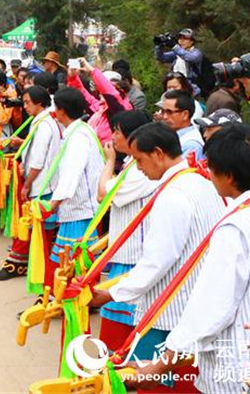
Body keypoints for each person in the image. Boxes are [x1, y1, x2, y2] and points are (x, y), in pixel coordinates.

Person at [133, 124, 250, 393]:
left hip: (239, 367)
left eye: (212, 167)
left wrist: (161, 365)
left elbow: (211, 309)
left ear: (229, 176)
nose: (208, 173)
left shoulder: (237, 227)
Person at [91, 123, 224, 363]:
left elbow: (157, 260)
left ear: (158, 154)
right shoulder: (202, 182)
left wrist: (110, 294)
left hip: (169, 310)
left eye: (139, 160)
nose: (138, 168)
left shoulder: (173, 195)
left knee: (151, 375)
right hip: (197, 303)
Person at [93, 110, 155, 350]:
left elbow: (102, 195)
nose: (113, 137)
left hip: (133, 258)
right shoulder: (132, 164)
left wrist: (109, 161)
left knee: (121, 324)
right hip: (125, 253)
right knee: (117, 321)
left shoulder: (139, 172)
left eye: (117, 132)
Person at [0, 85, 62, 281]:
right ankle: (34, 267)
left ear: (39, 102)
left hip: (41, 185)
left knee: (38, 230)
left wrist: (26, 184)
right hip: (42, 183)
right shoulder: (43, 121)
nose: (24, 106)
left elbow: (38, 161)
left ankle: (33, 269)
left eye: (27, 102)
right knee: (39, 230)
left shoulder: (44, 125)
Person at [43, 88, 105, 284]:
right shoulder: (81, 130)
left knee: (70, 260)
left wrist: (52, 204)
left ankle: (64, 296)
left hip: (79, 209)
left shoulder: (78, 137)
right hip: (81, 207)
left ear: (62, 111)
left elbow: (71, 174)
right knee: (77, 257)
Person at [156, 89, 206, 161]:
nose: (165, 117)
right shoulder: (173, 135)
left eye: (169, 112)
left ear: (185, 114)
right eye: (163, 111)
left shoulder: (191, 145)